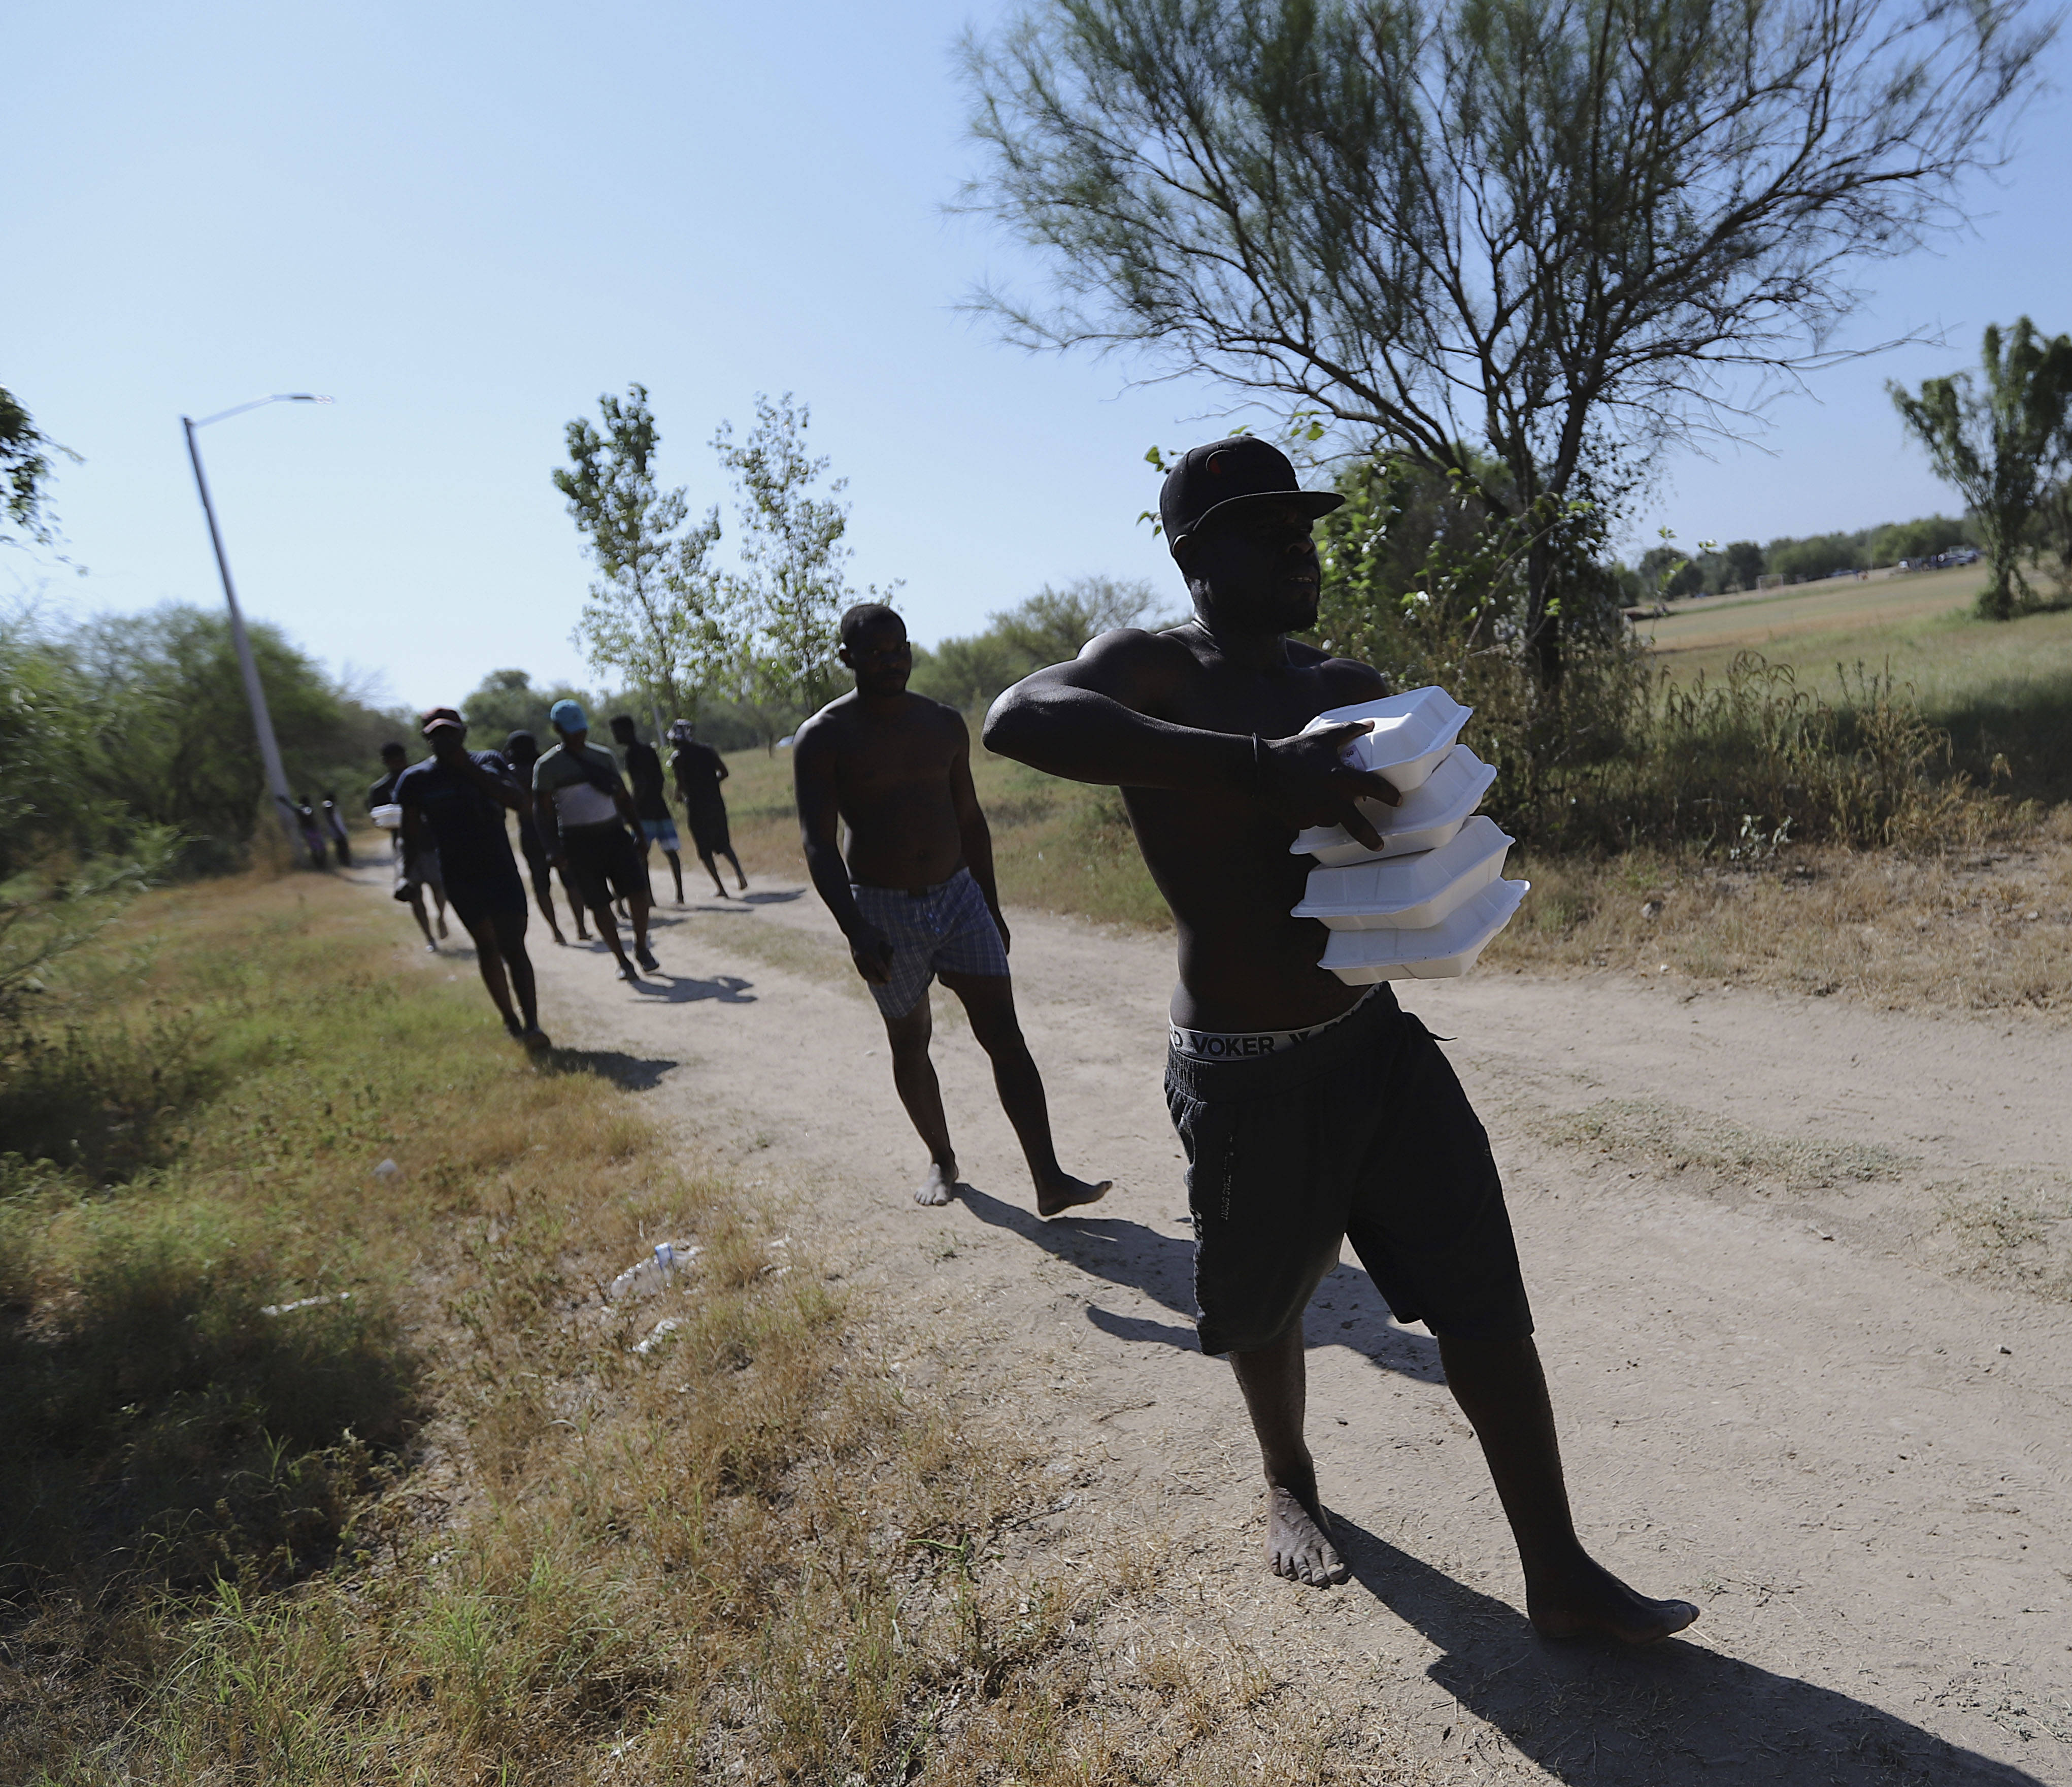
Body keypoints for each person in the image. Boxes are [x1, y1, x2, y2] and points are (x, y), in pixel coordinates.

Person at [982, 438, 1695, 1643]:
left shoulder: (1343, 680)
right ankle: (1289, 1475)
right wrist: (1259, 770)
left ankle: (1559, 1571)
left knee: (1483, 1295)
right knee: (1264, 1306)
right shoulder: (1157, 672)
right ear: (1192, 553)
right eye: (1268, 532)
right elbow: (1018, 717)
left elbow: (1406, 832)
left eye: (1304, 526)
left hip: (1373, 1042)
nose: (1300, 548)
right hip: (1242, 1070)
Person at [794, 603, 1110, 1219]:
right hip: (882, 911)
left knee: (1006, 1036)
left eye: (899, 649)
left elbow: (969, 819)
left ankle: (1049, 1179)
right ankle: (942, 1159)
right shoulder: (825, 736)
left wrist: (990, 905)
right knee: (911, 1040)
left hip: (959, 896)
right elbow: (817, 842)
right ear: (847, 660)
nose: (891, 662)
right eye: (876, 653)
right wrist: (856, 930)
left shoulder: (941, 724)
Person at [392, 707, 548, 1050]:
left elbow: (518, 802)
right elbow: (410, 834)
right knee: (488, 947)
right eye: (435, 735)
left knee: (514, 947)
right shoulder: (416, 780)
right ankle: (511, 1020)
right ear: (426, 739)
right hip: (460, 876)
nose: (443, 740)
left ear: (463, 733)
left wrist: (468, 768)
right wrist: (404, 876)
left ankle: (533, 1025)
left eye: (449, 733)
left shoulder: (489, 762)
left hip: (500, 870)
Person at [532, 700, 658, 981]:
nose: (579, 736)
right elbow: (542, 814)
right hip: (578, 843)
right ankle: (622, 961)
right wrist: (553, 849)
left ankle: (641, 948)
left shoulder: (603, 757)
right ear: (557, 730)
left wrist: (639, 832)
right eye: (571, 731)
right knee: (599, 903)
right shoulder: (547, 767)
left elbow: (622, 797)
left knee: (638, 893)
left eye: (581, 730)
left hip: (614, 835)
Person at [503, 730, 588, 946]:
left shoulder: (510, 773)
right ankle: (581, 927)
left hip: (530, 832)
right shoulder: (543, 766)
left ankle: (557, 931)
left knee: (541, 884)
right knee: (570, 879)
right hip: (553, 828)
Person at [372, 740, 453, 949]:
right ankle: (429, 938)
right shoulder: (380, 789)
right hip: (406, 847)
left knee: (439, 888)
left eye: (400, 758)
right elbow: (378, 819)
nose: (398, 763)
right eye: (393, 760)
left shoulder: (420, 779)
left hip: (430, 843)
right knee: (413, 894)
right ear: (386, 762)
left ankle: (441, 917)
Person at [611, 714, 685, 906]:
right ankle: (680, 895)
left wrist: (632, 808)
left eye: (617, 732)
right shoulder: (649, 750)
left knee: (640, 856)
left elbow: (640, 784)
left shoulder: (632, 754)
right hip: (660, 808)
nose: (615, 737)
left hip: (644, 813)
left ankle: (648, 898)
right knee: (670, 852)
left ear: (627, 731)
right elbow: (659, 779)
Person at [669, 719, 748, 898]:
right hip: (716, 803)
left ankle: (721, 888)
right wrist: (712, 784)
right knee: (724, 843)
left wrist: (680, 796)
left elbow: (681, 785)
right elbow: (724, 772)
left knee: (705, 851)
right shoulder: (707, 751)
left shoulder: (678, 758)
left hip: (696, 807)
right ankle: (740, 874)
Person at [319, 792, 351, 869]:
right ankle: (345, 862)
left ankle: (345, 861)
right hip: (337, 831)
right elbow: (333, 820)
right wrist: (339, 831)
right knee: (342, 847)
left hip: (337, 830)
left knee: (341, 847)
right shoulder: (328, 804)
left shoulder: (332, 806)